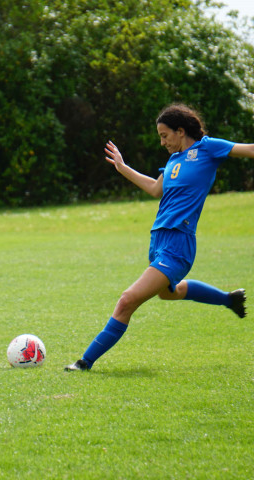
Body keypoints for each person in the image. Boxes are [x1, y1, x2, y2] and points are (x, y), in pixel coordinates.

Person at [65, 103, 254, 372]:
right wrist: (122, 167)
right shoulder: (173, 160)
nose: (162, 142)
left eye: (165, 135)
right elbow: (156, 189)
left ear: (180, 131)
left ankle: (84, 362)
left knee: (127, 300)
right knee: (169, 294)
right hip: (158, 241)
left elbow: (250, 149)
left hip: (178, 244)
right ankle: (229, 299)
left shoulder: (208, 147)